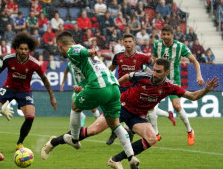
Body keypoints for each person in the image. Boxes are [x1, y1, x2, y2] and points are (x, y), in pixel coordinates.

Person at [41, 58, 219, 169]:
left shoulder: (169, 86)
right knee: (93, 131)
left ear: (165, 72)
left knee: (152, 138)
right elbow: (126, 78)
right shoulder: (143, 75)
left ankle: (115, 160)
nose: (154, 73)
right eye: (153, 69)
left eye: (158, 71)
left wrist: (206, 90)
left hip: (138, 116)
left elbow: (193, 96)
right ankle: (54, 141)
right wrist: (115, 87)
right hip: (121, 106)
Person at [51, 31, 139, 168]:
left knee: (75, 105)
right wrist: (82, 87)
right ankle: (131, 156)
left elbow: (80, 51)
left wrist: (88, 52)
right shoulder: (81, 60)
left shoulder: (72, 49)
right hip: (114, 87)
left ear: (60, 45)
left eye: (58, 47)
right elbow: (88, 66)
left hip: (99, 86)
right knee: (115, 124)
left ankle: (74, 139)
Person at [0, 31, 57, 150]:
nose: (23, 51)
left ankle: (19, 143)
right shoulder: (8, 59)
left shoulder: (34, 64)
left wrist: (52, 96)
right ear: (16, 48)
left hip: (24, 91)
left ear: (29, 49)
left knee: (30, 117)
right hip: (8, 88)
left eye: (26, 49)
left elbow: (45, 79)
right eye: (21, 49)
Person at [105, 33, 174, 145]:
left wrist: (160, 72)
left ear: (134, 43)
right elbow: (110, 69)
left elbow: (155, 64)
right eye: (125, 41)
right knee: (115, 112)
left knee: (137, 112)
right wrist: (106, 77)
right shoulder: (118, 56)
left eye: (129, 41)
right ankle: (118, 131)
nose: (127, 44)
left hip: (135, 90)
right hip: (121, 89)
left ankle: (137, 131)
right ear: (122, 43)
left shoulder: (141, 57)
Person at [151, 25, 205, 146]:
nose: (165, 37)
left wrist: (199, 75)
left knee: (176, 106)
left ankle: (190, 131)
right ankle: (155, 135)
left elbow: (194, 60)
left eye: (167, 34)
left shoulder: (180, 46)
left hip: (173, 81)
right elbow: (153, 60)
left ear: (172, 35)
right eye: (163, 34)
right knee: (151, 107)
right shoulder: (157, 45)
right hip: (158, 81)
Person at [60, 61, 100, 126]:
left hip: (86, 87)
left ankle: (99, 121)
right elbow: (65, 72)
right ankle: (81, 118)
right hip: (76, 88)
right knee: (74, 105)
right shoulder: (69, 64)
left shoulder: (83, 62)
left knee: (93, 108)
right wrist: (62, 83)